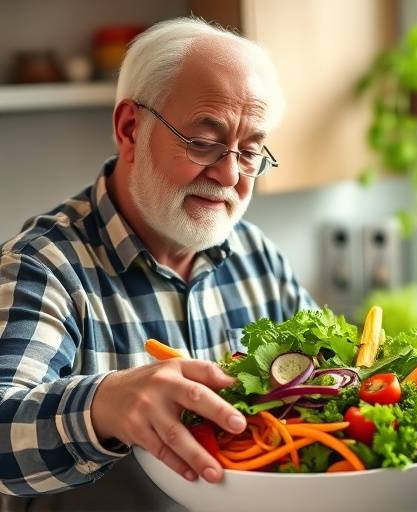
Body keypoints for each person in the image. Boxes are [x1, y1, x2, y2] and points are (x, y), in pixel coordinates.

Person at [0, 17, 315, 512]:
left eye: (251, 151)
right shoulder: (45, 266)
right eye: (202, 141)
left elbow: (321, 395)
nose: (230, 173)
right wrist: (105, 404)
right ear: (130, 128)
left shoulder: (262, 261)